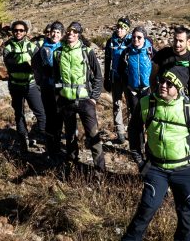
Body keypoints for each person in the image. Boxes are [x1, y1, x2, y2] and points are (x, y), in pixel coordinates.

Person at [118, 66, 190, 241]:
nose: (163, 85)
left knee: (185, 214)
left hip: (185, 170)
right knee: (146, 209)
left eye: (169, 83)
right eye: (161, 81)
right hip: (156, 169)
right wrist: (139, 160)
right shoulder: (147, 103)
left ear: (178, 87)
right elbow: (134, 131)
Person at [53, 22, 105, 170]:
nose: (71, 34)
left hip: (85, 101)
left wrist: (94, 97)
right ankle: (72, 164)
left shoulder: (87, 51)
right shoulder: (58, 53)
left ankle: (100, 170)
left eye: (75, 32)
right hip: (66, 101)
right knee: (70, 136)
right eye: (69, 31)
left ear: (79, 34)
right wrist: (58, 96)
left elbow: (98, 76)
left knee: (93, 135)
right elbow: (56, 77)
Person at [2, 20, 46, 148]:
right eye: (15, 30)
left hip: (31, 85)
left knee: (41, 113)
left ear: (26, 32)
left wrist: (26, 66)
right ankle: (23, 141)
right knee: (19, 114)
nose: (18, 32)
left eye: (21, 30)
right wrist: (27, 65)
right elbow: (10, 66)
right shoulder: (8, 47)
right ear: (12, 32)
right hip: (15, 85)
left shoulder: (32, 47)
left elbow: (38, 67)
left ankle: (42, 138)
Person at [120, 26, 154, 152]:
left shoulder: (151, 51)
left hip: (147, 90)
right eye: (134, 37)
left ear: (144, 38)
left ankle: (151, 148)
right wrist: (128, 86)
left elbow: (157, 68)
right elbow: (121, 70)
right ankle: (139, 148)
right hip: (133, 91)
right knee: (137, 120)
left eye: (139, 37)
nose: (136, 39)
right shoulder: (127, 52)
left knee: (150, 119)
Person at [33, 22, 64, 156]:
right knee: (49, 116)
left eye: (58, 32)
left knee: (60, 116)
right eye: (53, 31)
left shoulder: (64, 47)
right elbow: (35, 65)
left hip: (62, 88)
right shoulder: (41, 47)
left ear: (61, 34)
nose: (55, 34)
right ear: (49, 32)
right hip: (47, 86)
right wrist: (40, 81)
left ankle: (59, 144)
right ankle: (51, 146)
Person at [152, 25, 190, 97]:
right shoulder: (162, 53)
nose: (177, 44)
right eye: (175, 40)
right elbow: (152, 76)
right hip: (162, 96)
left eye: (181, 41)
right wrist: (154, 92)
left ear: (188, 41)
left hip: (182, 98)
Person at [104, 17, 132, 145]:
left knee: (131, 105)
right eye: (118, 27)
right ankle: (120, 132)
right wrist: (106, 78)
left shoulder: (132, 40)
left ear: (127, 30)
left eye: (122, 28)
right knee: (116, 104)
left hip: (128, 77)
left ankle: (132, 131)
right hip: (115, 77)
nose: (119, 30)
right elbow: (107, 61)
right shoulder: (111, 42)